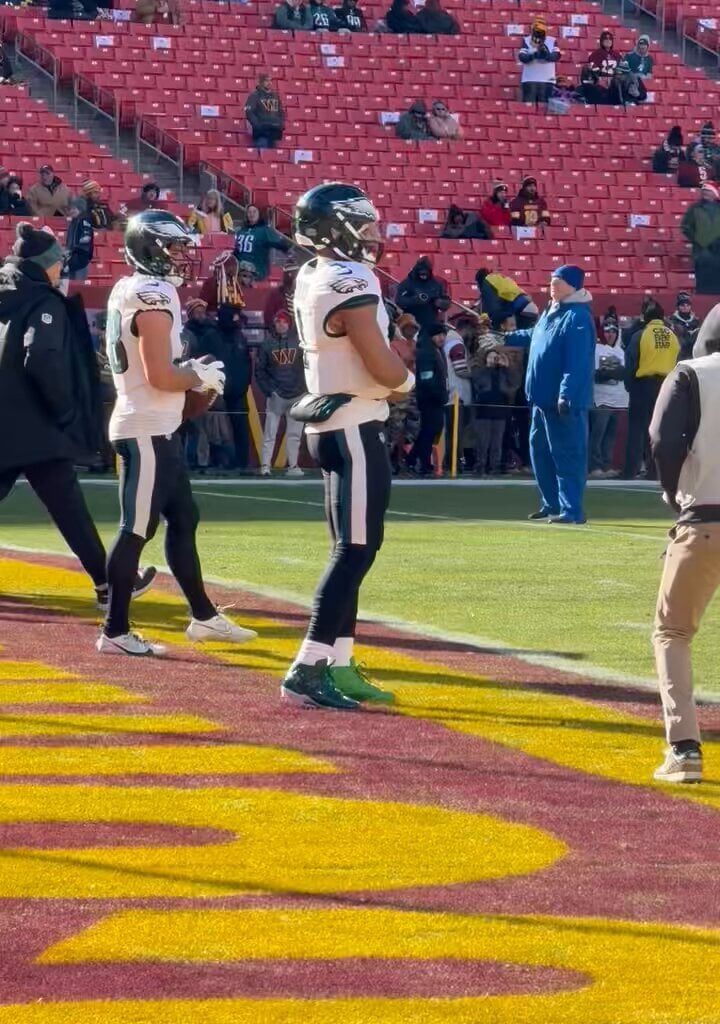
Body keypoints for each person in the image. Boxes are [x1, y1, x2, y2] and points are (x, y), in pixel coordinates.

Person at [97, 210, 258, 656]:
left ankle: (204, 616)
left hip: (155, 423)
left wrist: (194, 382)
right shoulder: (152, 294)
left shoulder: (131, 288)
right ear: (151, 248)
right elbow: (162, 376)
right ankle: (115, 631)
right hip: (145, 426)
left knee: (184, 517)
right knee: (136, 529)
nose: (184, 255)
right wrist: (196, 373)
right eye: (175, 246)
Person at [283, 182, 414, 709]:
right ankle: (309, 666)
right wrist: (404, 379)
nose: (375, 235)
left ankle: (338, 660)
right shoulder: (348, 276)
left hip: (333, 424)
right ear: (338, 229)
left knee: (354, 546)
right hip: (355, 425)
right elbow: (380, 365)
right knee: (355, 549)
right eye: (364, 225)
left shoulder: (314, 272)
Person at [0, 222, 155, 608]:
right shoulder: (43, 302)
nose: (60, 270)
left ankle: (108, 580)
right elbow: (42, 358)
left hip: (8, 421)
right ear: (42, 264)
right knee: (68, 506)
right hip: (35, 425)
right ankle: (108, 583)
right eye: (56, 263)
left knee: (67, 504)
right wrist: (65, 408)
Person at [647, 309, 720, 784]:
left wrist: (672, 492)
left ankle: (684, 747)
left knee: (672, 632)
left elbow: (662, 439)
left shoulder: (692, 373)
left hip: (706, 517)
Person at [505, 265, 595, 524]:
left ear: (573, 286)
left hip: (562, 401)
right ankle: (551, 503)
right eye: (552, 281)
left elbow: (577, 361)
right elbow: (535, 336)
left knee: (567, 454)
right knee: (540, 452)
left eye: (559, 282)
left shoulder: (577, 316)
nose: (552, 286)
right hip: (541, 399)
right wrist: (505, 336)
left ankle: (572, 509)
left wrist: (566, 393)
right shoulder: (550, 312)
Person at [623, 298, 679, 480]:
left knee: (637, 430)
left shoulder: (641, 335)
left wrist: (629, 384)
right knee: (660, 430)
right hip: (666, 386)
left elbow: (631, 362)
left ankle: (630, 471)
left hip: (643, 385)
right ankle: (656, 471)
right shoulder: (672, 335)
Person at [256, 310, 306, 476]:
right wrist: (269, 391)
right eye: (278, 322)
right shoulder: (267, 344)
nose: (281, 325)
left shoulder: (299, 342)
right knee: (270, 433)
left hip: (297, 393)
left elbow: (307, 366)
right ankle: (265, 466)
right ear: (274, 324)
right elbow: (260, 371)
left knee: (294, 434)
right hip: (277, 395)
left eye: (284, 322)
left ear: (289, 323)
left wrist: (304, 388)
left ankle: (293, 466)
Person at [588, 313, 627, 477]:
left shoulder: (620, 351)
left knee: (611, 435)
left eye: (613, 331)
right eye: (607, 331)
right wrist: (612, 372)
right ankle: (594, 466)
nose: (610, 334)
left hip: (618, 398)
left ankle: (606, 464)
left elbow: (623, 373)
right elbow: (595, 373)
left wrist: (612, 371)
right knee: (597, 434)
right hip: (601, 398)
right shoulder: (595, 349)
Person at [216, 303, 252, 472]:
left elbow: (247, 364)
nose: (237, 320)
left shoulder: (240, 337)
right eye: (234, 316)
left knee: (241, 428)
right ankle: (220, 461)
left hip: (238, 391)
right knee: (217, 430)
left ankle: (242, 462)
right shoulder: (213, 336)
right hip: (217, 392)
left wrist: (244, 385)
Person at [471, 348, 519, 476]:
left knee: (497, 442)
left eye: (496, 357)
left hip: (501, 410)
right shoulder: (480, 371)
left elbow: (514, 383)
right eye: (491, 357)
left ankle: (494, 467)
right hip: (483, 410)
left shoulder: (504, 373)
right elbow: (478, 383)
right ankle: (480, 467)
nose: (494, 359)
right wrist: (488, 367)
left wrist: (507, 367)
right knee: (483, 441)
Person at [233, 204, 291, 281]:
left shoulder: (265, 230)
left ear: (259, 214)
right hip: (239, 271)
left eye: (254, 212)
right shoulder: (241, 231)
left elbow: (280, 244)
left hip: (256, 271)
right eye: (249, 212)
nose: (252, 214)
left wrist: (289, 252)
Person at [681, 182, 720, 296]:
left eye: (708, 191)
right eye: (703, 191)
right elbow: (686, 227)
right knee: (703, 282)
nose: (705, 193)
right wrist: (699, 239)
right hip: (702, 251)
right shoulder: (695, 208)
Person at [396, 255, 449, 332]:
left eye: (426, 272)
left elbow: (445, 301)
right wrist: (415, 300)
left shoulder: (436, 284)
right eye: (421, 272)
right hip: (411, 324)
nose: (423, 275)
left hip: (430, 323)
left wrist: (440, 302)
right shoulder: (407, 283)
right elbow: (399, 300)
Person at [518, 19, 560, 104]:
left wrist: (545, 55)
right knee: (528, 109)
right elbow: (522, 57)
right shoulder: (526, 40)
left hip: (547, 80)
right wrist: (533, 55)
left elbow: (556, 56)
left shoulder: (552, 40)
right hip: (530, 80)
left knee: (544, 109)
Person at [245, 74, 285, 150]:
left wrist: (281, 124)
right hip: (261, 133)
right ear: (261, 82)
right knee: (263, 154)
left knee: (274, 157)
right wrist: (258, 125)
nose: (269, 83)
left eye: (270, 81)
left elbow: (281, 111)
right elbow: (249, 112)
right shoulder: (255, 96)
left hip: (274, 132)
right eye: (266, 81)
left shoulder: (275, 96)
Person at [587, 29, 622, 103]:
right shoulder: (595, 55)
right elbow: (592, 69)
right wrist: (601, 78)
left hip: (614, 82)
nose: (608, 40)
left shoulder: (617, 55)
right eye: (605, 38)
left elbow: (621, 69)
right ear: (601, 41)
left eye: (610, 39)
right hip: (600, 81)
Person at [65, 197, 94, 281]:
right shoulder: (73, 222)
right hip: (72, 257)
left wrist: (73, 249)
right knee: (71, 283)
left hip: (81, 257)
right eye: (71, 208)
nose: (71, 211)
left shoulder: (84, 220)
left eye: (74, 208)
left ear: (80, 209)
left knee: (79, 283)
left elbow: (86, 238)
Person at [667, 292, 701, 361]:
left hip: (694, 356)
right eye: (682, 305)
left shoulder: (696, 321)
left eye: (688, 305)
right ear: (678, 306)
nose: (685, 307)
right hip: (679, 356)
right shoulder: (672, 320)